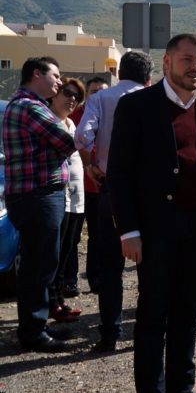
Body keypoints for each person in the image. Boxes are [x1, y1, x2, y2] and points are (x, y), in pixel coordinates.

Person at [107, 34, 196, 393]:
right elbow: (120, 175)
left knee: (187, 313)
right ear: (167, 62)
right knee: (153, 315)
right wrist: (129, 231)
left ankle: (182, 391)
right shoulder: (136, 105)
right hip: (154, 230)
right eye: (188, 60)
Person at [76, 52, 152, 353]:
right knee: (151, 266)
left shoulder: (101, 98)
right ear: (148, 77)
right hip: (150, 194)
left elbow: (82, 135)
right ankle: (146, 330)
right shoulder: (154, 98)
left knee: (110, 267)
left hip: (111, 188)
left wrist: (91, 164)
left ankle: (110, 333)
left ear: (119, 73)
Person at [2, 57, 77, 352]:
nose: (59, 83)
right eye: (55, 76)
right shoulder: (30, 107)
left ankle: (36, 325)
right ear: (37, 74)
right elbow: (67, 141)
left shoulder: (24, 105)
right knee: (39, 264)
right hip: (39, 195)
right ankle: (33, 332)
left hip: (34, 194)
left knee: (40, 262)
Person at [49, 78, 88, 321]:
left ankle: (59, 300)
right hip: (58, 198)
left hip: (77, 198)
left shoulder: (71, 124)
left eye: (77, 96)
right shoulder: (48, 122)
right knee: (55, 252)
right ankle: (51, 303)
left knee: (68, 249)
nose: (71, 99)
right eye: (67, 93)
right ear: (55, 94)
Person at [76, 76, 109, 293]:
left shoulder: (110, 113)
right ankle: (71, 280)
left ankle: (98, 277)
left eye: (101, 91)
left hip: (103, 185)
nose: (97, 95)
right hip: (81, 186)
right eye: (94, 91)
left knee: (100, 234)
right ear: (87, 95)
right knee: (76, 236)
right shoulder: (76, 115)